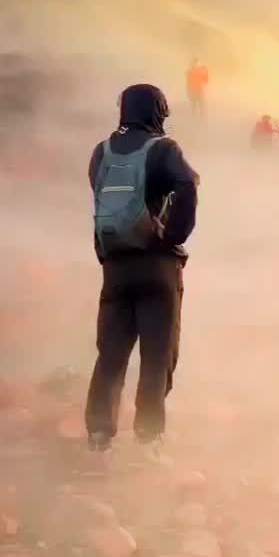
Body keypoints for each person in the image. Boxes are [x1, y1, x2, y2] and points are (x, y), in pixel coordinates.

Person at [84, 83, 198, 456]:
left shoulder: (102, 152)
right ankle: (149, 438)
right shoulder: (163, 149)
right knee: (157, 351)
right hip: (157, 266)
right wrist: (174, 236)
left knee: (111, 353)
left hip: (115, 267)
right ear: (157, 110)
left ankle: (99, 438)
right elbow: (188, 182)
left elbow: (101, 201)